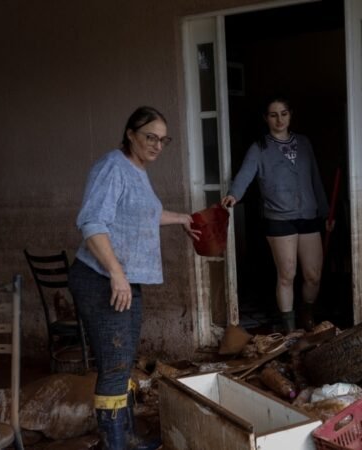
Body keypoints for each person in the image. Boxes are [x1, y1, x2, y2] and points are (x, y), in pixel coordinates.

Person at [68, 106, 199, 450]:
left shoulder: (137, 170)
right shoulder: (113, 167)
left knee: (123, 360)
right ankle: (114, 443)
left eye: (162, 140)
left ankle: (124, 436)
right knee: (114, 364)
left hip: (122, 279)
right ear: (130, 134)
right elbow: (92, 223)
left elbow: (142, 216)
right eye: (149, 137)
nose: (157, 145)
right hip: (101, 279)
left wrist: (182, 219)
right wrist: (116, 274)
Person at [221, 97, 331, 333]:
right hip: (279, 218)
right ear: (266, 118)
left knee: (313, 274)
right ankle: (289, 328)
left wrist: (325, 211)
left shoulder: (304, 143)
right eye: (273, 115)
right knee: (287, 273)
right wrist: (234, 194)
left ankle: (307, 313)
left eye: (283, 113)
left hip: (309, 214)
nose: (279, 119)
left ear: (290, 114)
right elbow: (245, 174)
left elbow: (314, 177)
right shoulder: (259, 147)